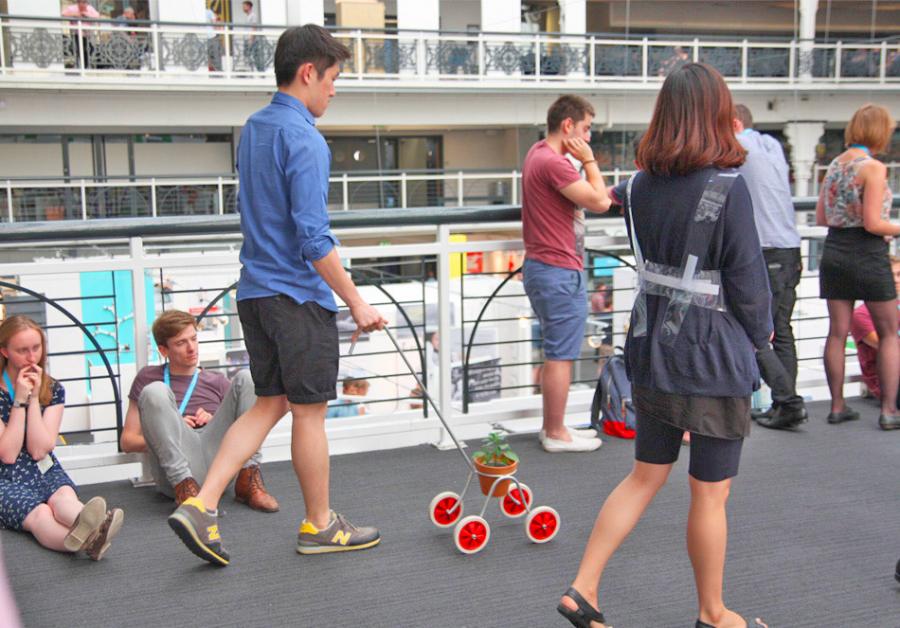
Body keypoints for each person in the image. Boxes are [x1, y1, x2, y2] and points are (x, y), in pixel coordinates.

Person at [558, 63, 771, 628]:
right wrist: (762, 341)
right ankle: (713, 613)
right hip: (713, 357)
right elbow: (748, 282)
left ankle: (584, 588)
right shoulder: (729, 189)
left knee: (645, 474)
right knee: (709, 493)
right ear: (717, 115)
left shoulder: (642, 187)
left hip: (651, 349)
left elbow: (610, 211)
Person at [168, 24, 387, 567]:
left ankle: (203, 504)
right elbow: (314, 238)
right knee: (309, 413)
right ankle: (319, 525)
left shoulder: (254, 128)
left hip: (256, 293)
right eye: (333, 79)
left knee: (270, 403)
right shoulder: (305, 138)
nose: (335, 90)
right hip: (297, 297)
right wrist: (356, 300)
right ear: (308, 72)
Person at [120, 309, 279, 510]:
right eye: (181, 343)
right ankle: (185, 491)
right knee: (155, 391)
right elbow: (128, 441)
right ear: (163, 350)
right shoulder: (147, 378)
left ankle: (248, 477)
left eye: (194, 339)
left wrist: (213, 420)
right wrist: (170, 430)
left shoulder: (218, 381)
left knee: (247, 378)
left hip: (218, 462)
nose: (191, 348)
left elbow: (241, 426)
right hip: (176, 470)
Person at [522, 94, 610, 453]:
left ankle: (555, 426)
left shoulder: (537, 153)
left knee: (557, 351)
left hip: (547, 267)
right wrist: (589, 162)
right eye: (586, 129)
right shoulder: (555, 163)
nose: (588, 138)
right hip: (557, 269)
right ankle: (556, 432)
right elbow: (601, 202)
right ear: (568, 125)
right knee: (560, 354)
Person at [0, 316, 123, 560]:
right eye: (22, 350)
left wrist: (34, 399)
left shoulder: (53, 389)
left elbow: (39, 450)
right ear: (4, 351)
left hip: (42, 466)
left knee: (63, 498)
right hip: (4, 476)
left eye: (36, 348)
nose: (31, 357)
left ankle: (94, 526)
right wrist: (19, 401)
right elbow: (8, 454)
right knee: (40, 514)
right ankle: (90, 541)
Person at [816, 103, 899, 430]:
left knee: (837, 332)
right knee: (890, 332)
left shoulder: (834, 165)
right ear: (880, 131)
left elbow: (822, 217)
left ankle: (837, 406)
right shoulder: (873, 168)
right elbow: (873, 223)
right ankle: (889, 410)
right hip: (867, 253)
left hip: (835, 250)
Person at [732, 103, 808, 430]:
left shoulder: (738, 146)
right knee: (782, 330)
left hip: (766, 250)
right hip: (789, 247)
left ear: (733, 123)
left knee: (758, 333)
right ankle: (783, 404)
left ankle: (788, 402)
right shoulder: (770, 144)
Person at [850, 256, 900, 426]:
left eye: (899, 275)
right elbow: (887, 346)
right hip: (888, 383)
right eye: (890, 276)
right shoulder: (861, 314)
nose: (895, 280)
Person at [62, 1, 101, 70]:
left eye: (85, 2)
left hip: (87, 34)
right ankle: (80, 66)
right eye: (82, 2)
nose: (83, 4)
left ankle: (85, 66)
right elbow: (63, 14)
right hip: (76, 34)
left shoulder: (89, 8)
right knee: (79, 49)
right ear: (78, 2)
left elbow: (97, 16)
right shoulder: (72, 8)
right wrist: (75, 15)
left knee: (89, 49)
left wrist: (86, 15)